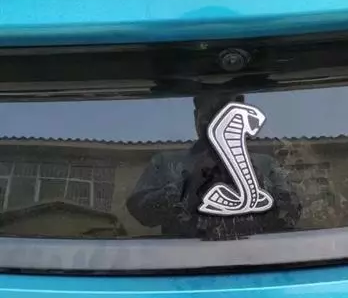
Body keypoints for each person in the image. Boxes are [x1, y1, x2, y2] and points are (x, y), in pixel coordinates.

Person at [126, 93, 301, 240]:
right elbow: (140, 212)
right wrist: (186, 186)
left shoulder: (265, 163)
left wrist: (258, 182)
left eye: (225, 111)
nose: (217, 119)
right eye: (209, 113)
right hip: (183, 258)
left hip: (257, 255)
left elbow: (292, 211)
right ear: (196, 117)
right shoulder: (165, 162)